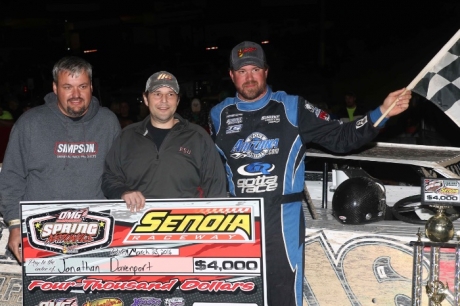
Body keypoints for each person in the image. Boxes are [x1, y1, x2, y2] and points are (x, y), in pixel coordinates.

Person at [208, 41, 412, 306]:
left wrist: (381, 112)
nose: (249, 77)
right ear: (232, 75)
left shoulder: (292, 107)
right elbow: (209, 166)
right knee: (239, 297)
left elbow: (342, 137)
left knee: (283, 296)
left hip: (282, 220)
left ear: (266, 72)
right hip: (238, 221)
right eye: (242, 70)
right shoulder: (218, 114)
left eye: (255, 69)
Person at [0, 56, 121, 263]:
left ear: (91, 86)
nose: (76, 95)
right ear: (55, 88)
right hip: (39, 234)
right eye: (68, 87)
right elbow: (12, 176)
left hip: (97, 235)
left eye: (82, 86)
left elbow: (119, 174)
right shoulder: (30, 123)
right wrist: (15, 224)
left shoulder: (108, 122)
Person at [102, 71, 227, 212]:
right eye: (157, 94)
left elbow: (216, 188)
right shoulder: (127, 137)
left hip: (187, 226)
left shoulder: (198, 137)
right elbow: (109, 177)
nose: (164, 100)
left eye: (170, 94)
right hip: (134, 227)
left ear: (178, 100)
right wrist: (123, 192)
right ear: (146, 98)